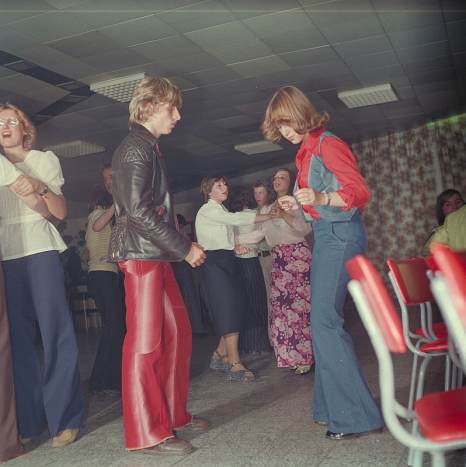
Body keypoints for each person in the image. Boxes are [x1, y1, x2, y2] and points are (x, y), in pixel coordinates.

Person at [264, 86, 384, 440]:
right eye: (279, 126)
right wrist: (300, 205)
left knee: (325, 322)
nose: (284, 131)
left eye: (286, 122)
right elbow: (316, 206)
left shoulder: (327, 144)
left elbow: (359, 192)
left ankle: (356, 417)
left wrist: (319, 196)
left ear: (300, 114)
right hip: (326, 235)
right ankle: (330, 408)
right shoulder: (305, 152)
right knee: (320, 323)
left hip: (340, 236)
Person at [108, 76, 208, 454]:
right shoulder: (135, 148)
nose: (178, 116)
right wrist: (183, 248)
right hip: (140, 255)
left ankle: (172, 415)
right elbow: (137, 212)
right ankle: (146, 432)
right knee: (145, 344)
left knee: (178, 334)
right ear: (149, 106)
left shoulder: (148, 146)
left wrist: (178, 247)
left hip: (154, 253)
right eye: (172, 108)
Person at [0, 104, 84, 447]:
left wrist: (38, 187)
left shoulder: (44, 159)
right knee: (16, 343)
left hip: (41, 253)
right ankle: (29, 419)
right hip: (7, 257)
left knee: (55, 334)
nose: (5, 127)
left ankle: (66, 418)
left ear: (25, 128)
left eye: (11, 121)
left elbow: (60, 213)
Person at [236, 169, 313, 375]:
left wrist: (284, 214)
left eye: (282, 178)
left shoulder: (296, 203)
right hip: (278, 259)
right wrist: (234, 242)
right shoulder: (268, 208)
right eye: (275, 178)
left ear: (290, 182)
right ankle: (291, 357)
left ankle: (306, 357)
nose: (277, 180)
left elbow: (305, 229)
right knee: (281, 312)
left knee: (299, 310)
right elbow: (258, 235)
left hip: (296, 257)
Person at [195, 176, 270, 381]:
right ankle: (234, 363)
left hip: (227, 260)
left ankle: (220, 354)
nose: (224, 188)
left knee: (233, 309)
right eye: (218, 185)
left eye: (225, 184)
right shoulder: (207, 209)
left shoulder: (220, 210)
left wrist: (234, 247)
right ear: (208, 191)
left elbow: (219, 237)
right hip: (214, 265)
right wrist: (269, 215)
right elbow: (236, 220)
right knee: (227, 310)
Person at [85, 164, 126, 394]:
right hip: (102, 276)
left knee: (115, 327)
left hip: (104, 275)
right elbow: (98, 224)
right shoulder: (97, 214)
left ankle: (107, 379)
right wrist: (115, 205)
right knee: (114, 328)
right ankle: (102, 381)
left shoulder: (106, 218)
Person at [230, 190, 270, 354]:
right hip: (251, 260)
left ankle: (246, 345)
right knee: (257, 302)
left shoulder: (232, 217)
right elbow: (258, 236)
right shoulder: (254, 214)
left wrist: (234, 242)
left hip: (236, 262)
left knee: (243, 303)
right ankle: (258, 345)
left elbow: (229, 238)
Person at [252, 180, 275, 339]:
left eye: (261, 192)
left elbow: (258, 236)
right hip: (259, 259)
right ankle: (272, 338)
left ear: (268, 193)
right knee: (267, 298)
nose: (257, 196)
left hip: (271, 256)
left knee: (275, 297)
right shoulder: (255, 212)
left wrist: (234, 241)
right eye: (255, 193)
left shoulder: (272, 209)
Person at [424, 189, 465, 253]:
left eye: (458, 202)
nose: (455, 207)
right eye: (448, 205)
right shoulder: (437, 234)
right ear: (442, 210)